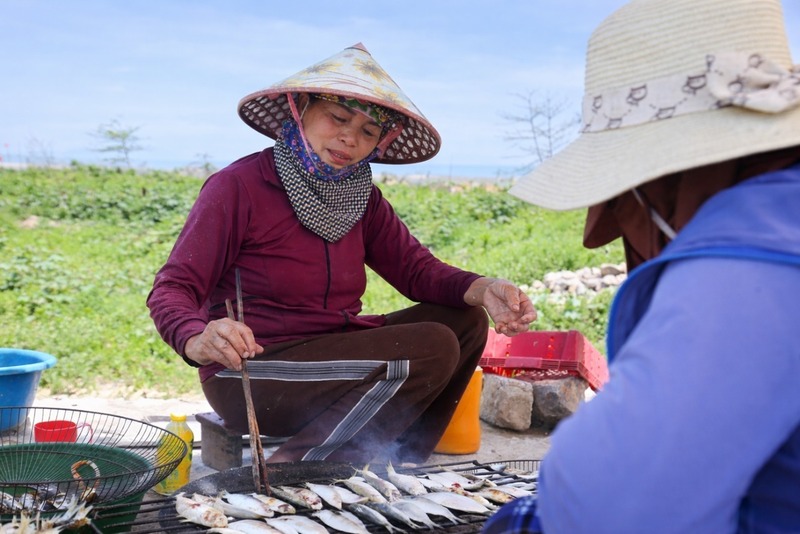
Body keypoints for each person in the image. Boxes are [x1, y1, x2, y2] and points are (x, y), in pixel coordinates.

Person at [483, 0, 800, 532]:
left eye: (617, 205)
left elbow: (608, 504)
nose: (609, 232)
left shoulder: (749, 262)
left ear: (659, 182)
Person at [147, 43, 536, 465]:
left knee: (464, 322)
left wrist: (484, 289)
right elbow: (173, 288)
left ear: (379, 144)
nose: (350, 138)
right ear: (301, 109)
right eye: (338, 117)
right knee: (432, 346)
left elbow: (415, 269)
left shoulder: (361, 197)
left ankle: (398, 458)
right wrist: (196, 337)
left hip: (331, 354)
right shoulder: (238, 187)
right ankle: (296, 468)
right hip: (252, 373)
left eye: (369, 131)